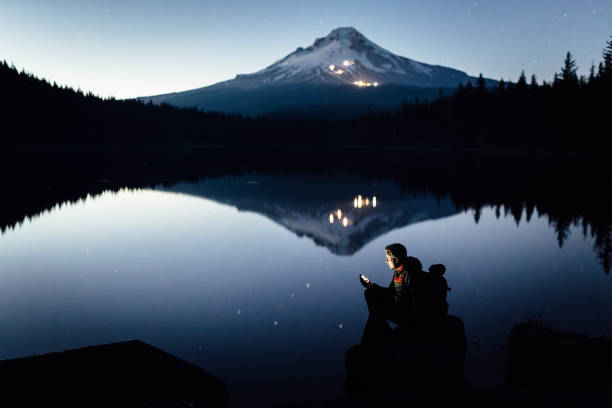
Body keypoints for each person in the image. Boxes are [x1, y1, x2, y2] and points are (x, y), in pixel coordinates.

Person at [359, 243, 428, 347]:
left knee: (378, 309)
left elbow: (419, 302)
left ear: (395, 260)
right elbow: (391, 292)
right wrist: (371, 286)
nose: (386, 261)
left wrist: (417, 327)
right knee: (370, 293)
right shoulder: (399, 272)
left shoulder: (411, 275)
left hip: (409, 315)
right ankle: (383, 331)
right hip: (400, 305)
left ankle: (366, 345)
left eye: (388, 259)